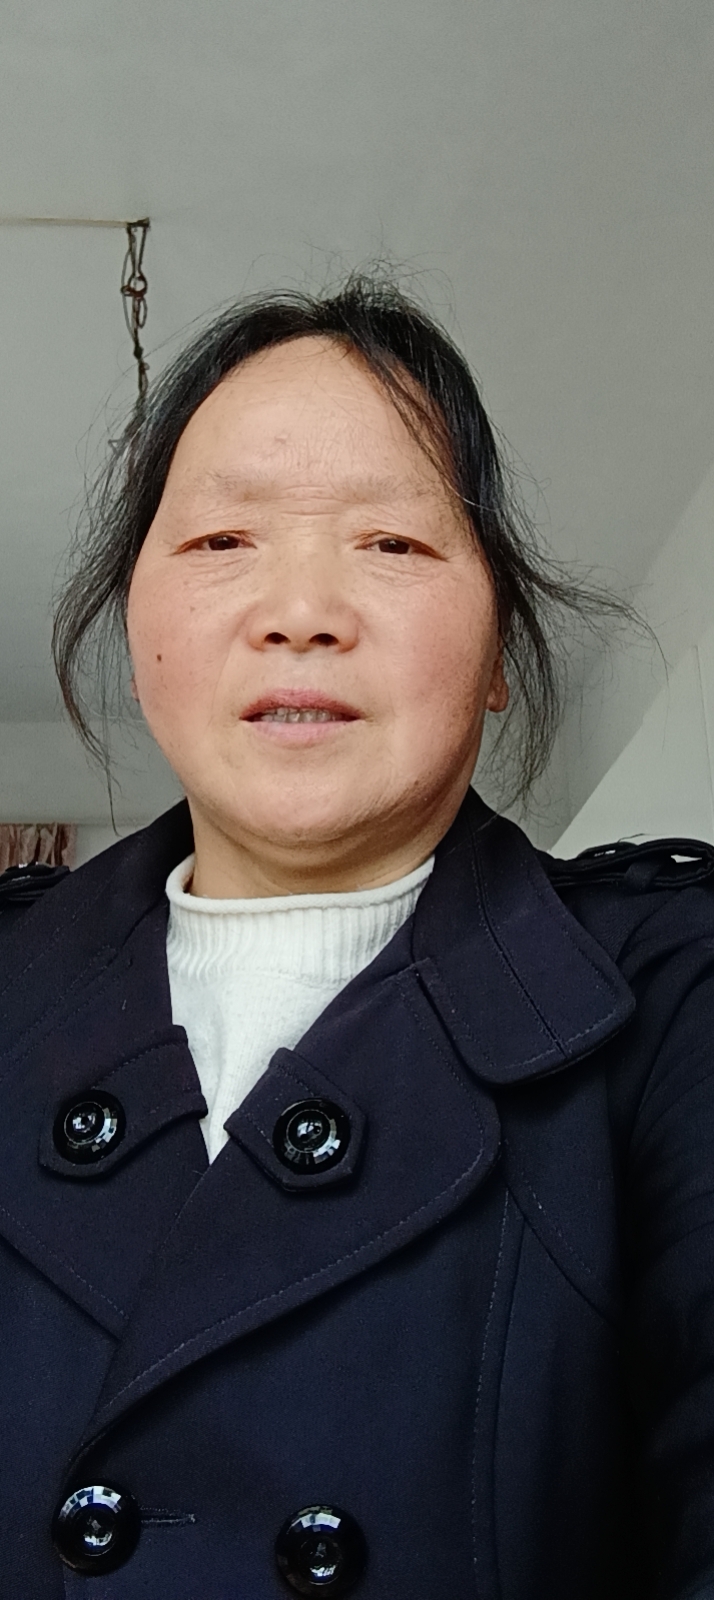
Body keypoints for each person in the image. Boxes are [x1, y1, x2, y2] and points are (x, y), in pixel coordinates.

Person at [1, 274, 713, 1599]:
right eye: (222, 541)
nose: (301, 610)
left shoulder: (671, 998)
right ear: (136, 625)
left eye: (391, 544)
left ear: (496, 652)